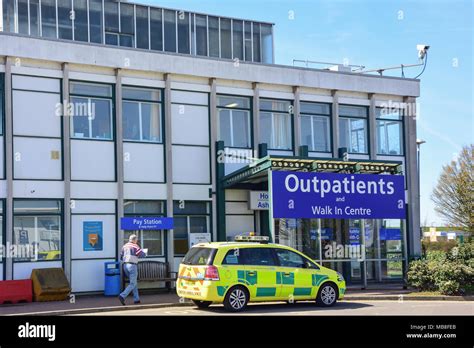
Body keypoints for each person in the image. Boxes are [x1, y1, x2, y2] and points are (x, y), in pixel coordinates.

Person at [118, 235, 146, 305]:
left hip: (125, 265)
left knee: (133, 283)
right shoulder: (135, 246)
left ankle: (136, 299)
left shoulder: (124, 246)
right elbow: (142, 255)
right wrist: (145, 252)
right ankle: (122, 295)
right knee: (133, 283)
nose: (137, 241)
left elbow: (121, 257)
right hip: (132, 266)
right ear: (134, 240)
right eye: (137, 240)